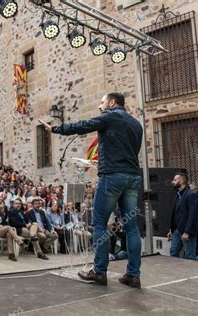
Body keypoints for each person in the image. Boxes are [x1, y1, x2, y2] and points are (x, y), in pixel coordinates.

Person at [41, 92, 143, 287]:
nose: (99, 107)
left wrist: (55, 129)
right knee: (131, 227)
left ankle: (99, 272)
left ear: (112, 103)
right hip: (131, 177)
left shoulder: (111, 116)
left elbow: (83, 125)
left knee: (99, 224)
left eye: (102, 102)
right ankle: (133, 275)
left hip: (112, 177)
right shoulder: (136, 124)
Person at [167, 173, 198, 261]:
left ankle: (194, 273)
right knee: (173, 252)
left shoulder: (191, 194)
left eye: (175, 180)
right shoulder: (177, 194)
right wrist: (171, 230)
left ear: (181, 181)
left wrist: (187, 232)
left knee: (190, 255)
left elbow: (193, 215)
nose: (172, 182)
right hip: (177, 230)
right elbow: (175, 214)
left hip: (186, 230)